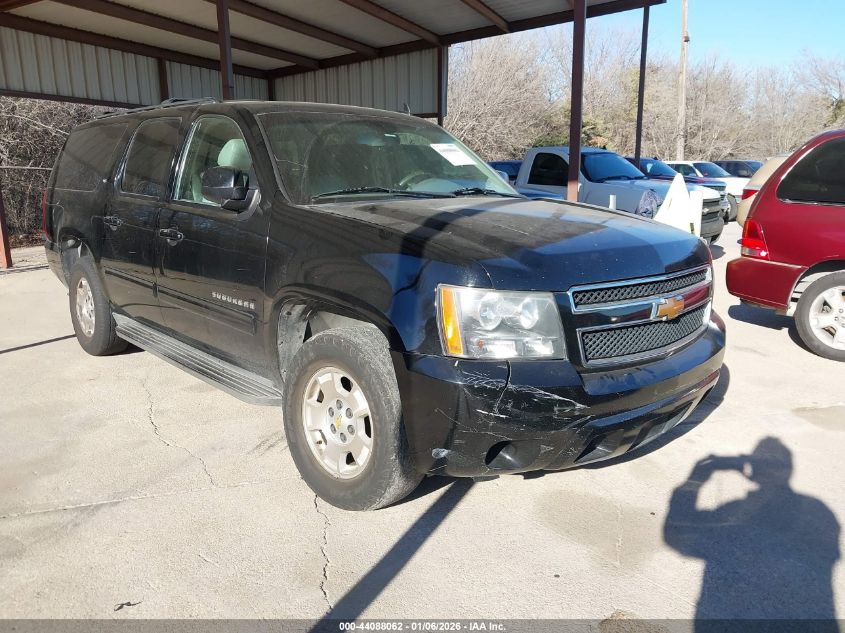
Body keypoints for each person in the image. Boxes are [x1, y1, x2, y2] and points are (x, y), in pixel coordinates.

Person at [664, 437, 840, 632]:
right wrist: (695, 479)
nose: (768, 470)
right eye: (762, 463)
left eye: (773, 463)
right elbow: (679, 535)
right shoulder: (734, 512)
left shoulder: (812, 512)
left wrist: (697, 478)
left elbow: (680, 536)